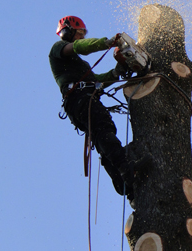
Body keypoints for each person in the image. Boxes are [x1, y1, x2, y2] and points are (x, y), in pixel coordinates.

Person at [49, 16, 149, 202]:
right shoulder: (58, 49)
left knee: (103, 135)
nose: (81, 38)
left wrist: (117, 72)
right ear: (67, 32)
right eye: (79, 34)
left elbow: (98, 82)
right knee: (103, 129)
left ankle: (126, 186)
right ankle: (127, 168)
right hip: (80, 100)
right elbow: (81, 47)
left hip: (83, 100)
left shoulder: (79, 65)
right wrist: (108, 42)